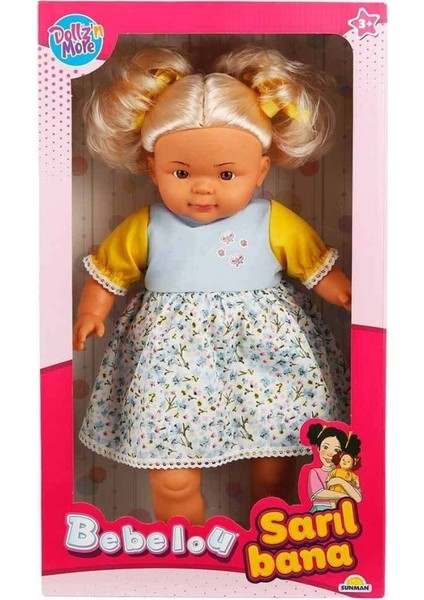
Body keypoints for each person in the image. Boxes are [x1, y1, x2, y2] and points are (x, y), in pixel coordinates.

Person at [73, 46, 351, 524]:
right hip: (171, 365)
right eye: (181, 173)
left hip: (262, 357)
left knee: (275, 463)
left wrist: (347, 294)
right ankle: (187, 542)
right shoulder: (148, 225)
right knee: (172, 476)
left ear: (260, 170)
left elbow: (315, 266)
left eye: (226, 174)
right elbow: (108, 271)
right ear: (152, 166)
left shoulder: (271, 220)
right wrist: (90, 312)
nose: (203, 188)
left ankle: (270, 536)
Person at [306, 423, 362, 512]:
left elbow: (358, 498)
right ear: (318, 449)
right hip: (320, 514)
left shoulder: (348, 475)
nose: (329, 454)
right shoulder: (315, 472)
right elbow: (317, 493)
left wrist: (340, 481)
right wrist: (345, 496)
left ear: (342, 454)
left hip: (344, 512)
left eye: (336, 450)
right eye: (325, 447)